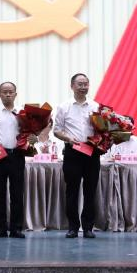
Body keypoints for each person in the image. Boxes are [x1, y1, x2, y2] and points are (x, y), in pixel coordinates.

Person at [0, 82, 31, 238]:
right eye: (5, 92)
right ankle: (0, 228)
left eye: (10, 92)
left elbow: (29, 132)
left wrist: (32, 138)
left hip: (17, 155)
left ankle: (16, 228)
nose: (8, 94)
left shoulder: (22, 112)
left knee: (17, 193)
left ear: (16, 94)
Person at [54, 73, 100, 238]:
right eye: (80, 84)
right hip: (72, 151)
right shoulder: (63, 107)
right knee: (71, 190)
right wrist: (67, 138)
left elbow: (101, 129)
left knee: (90, 190)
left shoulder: (96, 106)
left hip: (91, 152)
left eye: (85, 84)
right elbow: (57, 130)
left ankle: (88, 227)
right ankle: (73, 227)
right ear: (72, 86)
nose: (83, 87)